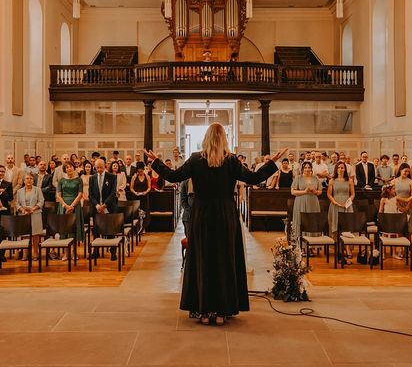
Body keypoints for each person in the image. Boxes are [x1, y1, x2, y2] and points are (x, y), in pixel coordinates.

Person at [147, 122, 284, 326]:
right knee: (224, 259)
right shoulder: (231, 161)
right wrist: (272, 162)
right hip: (225, 215)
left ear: (206, 138)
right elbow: (254, 178)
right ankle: (222, 311)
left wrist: (156, 162)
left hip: (202, 215)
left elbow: (174, 177)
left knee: (203, 259)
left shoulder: (195, 159)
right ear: (224, 139)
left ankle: (203, 311)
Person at [89, 158, 118, 260]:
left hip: (109, 207)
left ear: (105, 166)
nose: (99, 170)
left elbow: (113, 193)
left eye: (101, 167)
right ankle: (95, 251)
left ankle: (113, 252)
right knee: (96, 230)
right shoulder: (92, 178)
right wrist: (97, 206)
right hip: (96, 208)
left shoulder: (112, 177)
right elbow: (91, 194)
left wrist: (104, 205)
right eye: (97, 168)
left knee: (110, 230)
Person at [327, 161, 355, 263]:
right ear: (336, 169)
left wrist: (349, 201)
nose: (340, 169)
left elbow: (352, 194)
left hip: (347, 205)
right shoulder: (332, 180)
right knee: (336, 228)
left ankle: (348, 249)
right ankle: (338, 250)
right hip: (335, 205)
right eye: (338, 168)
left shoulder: (349, 180)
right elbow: (329, 194)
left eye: (342, 168)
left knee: (346, 227)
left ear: (345, 169)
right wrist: (335, 202)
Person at [56, 161, 83, 260]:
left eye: (70, 166)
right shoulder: (61, 180)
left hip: (75, 206)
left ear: (73, 168)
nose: (69, 169)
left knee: (74, 229)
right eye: (67, 167)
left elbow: (80, 194)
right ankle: (66, 253)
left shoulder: (79, 180)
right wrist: (65, 206)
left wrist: (71, 206)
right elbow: (58, 195)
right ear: (64, 169)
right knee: (65, 230)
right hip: (63, 206)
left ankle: (74, 253)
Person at [290, 161, 322, 240]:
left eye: (309, 167)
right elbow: (293, 192)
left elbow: (320, 191)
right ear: (303, 169)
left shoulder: (315, 178)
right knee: (301, 221)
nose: (307, 169)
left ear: (311, 169)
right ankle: (300, 243)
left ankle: (312, 242)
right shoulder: (298, 178)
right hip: (301, 202)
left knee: (312, 221)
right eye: (305, 167)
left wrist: (315, 192)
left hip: (313, 202)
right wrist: (304, 191)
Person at [16, 173, 44, 260]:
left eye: (31, 178)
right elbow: (17, 203)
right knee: (25, 234)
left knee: (35, 234)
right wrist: (22, 210)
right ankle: (25, 253)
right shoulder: (19, 191)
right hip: (23, 214)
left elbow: (41, 201)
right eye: (27, 178)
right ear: (24, 181)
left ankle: (35, 252)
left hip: (35, 213)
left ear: (33, 180)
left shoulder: (37, 190)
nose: (29, 180)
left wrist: (33, 209)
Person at [378, 184, 404, 260]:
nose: (394, 190)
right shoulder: (383, 199)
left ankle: (394, 253)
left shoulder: (396, 198)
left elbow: (400, 208)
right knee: (384, 236)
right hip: (386, 220)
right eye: (393, 189)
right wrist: (380, 219)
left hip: (394, 220)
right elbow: (381, 210)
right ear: (388, 190)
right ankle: (383, 253)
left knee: (393, 237)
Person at [393, 163, 412, 235]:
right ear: (400, 170)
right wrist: (399, 207)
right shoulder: (394, 181)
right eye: (405, 171)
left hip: (409, 205)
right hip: (397, 205)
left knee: (408, 228)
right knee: (398, 228)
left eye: (408, 172)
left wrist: (407, 207)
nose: (407, 173)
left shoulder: (411, 182)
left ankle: (408, 245)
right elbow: (393, 196)